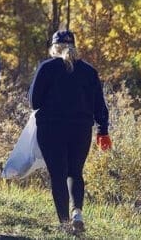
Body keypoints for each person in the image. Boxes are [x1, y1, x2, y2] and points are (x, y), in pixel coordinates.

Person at [28, 30, 112, 233]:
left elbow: (34, 101)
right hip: (81, 129)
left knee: (58, 175)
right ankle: (77, 213)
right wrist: (103, 131)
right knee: (75, 172)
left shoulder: (47, 68)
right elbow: (99, 104)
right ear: (74, 46)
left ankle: (65, 223)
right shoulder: (89, 71)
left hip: (51, 128)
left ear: (54, 48)